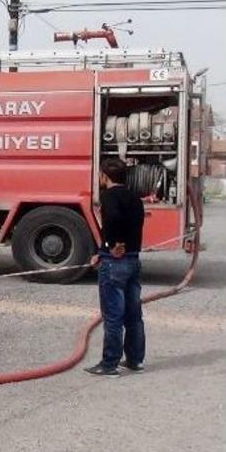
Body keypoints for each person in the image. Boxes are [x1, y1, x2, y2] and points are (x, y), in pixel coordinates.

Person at [85, 158, 146, 378]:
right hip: (133, 260)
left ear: (104, 176)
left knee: (113, 316)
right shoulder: (135, 198)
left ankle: (109, 364)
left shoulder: (109, 196)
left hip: (115, 264)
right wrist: (101, 252)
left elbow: (113, 219)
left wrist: (114, 245)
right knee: (134, 315)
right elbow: (134, 224)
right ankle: (135, 360)